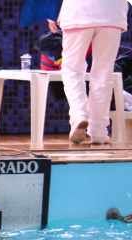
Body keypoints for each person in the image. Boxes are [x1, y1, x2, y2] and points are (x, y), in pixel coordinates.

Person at [49, 0, 128, 145]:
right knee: (103, 74)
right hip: (113, 14)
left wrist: (51, 13)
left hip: (78, 12)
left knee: (72, 69)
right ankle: (99, 131)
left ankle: (79, 115)